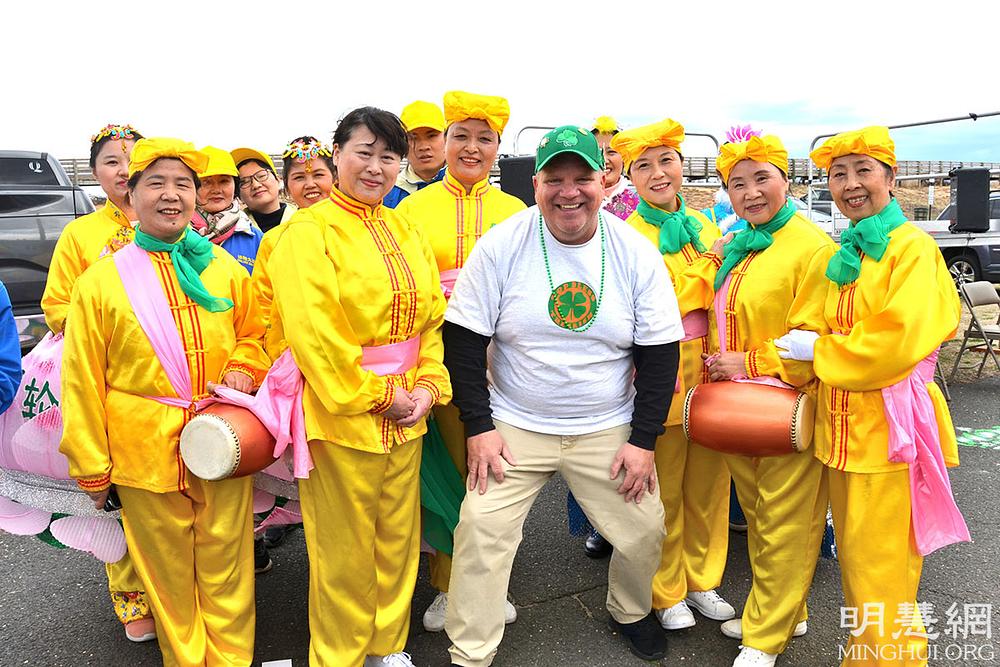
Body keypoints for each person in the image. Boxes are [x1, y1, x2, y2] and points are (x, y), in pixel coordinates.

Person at [443, 125, 683, 665]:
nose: (568, 191)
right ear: (536, 183)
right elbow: (463, 339)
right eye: (556, 178)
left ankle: (630, 608)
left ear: (603, 182)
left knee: (646, 529)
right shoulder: (502, 245)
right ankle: (470, 649)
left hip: (604, 422)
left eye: (582, 178)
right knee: (480, 529)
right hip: (515, 422)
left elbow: (660, 351)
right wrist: (478, 427)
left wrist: (643, 439)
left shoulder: (635, 252)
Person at [59, 137, 270, 666]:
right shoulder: (100, 282)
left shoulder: (223, 270)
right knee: (170, 580)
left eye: (183, 185)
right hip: (142, 449)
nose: (171, 195)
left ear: (197, 198)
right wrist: (92, 465)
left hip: (219, 440)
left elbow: (257, 333)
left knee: (229, 567)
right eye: (156, 183)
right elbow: (81, 378)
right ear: (130, 195)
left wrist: (245, 369)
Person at [267, 107, 452, 667]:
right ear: (337, 154)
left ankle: (386, 645)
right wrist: (380, 395)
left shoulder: (404, 227)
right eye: (363, 152)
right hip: (342, 412)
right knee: (343, 550)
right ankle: (339, 655)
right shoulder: (307, 231)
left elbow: (430, 321)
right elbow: (315, 332)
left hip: (409, 411)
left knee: (398, 538)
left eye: (388, 156)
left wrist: (427, 385)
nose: (376, 167)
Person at [781, 127, 969, 666]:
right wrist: (803, 351)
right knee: (860, 570)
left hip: (890, 434)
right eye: (838, 174)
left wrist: (818, 351)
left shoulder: (913, 249)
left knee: (882, 574)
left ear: (891, 177)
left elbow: (898, 340)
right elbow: (804, 326)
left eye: (863, 170)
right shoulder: (842, 254)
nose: (850, 184)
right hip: (840, 436)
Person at [692, 134, 836, 667]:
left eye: (762, 179)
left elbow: (813, 335)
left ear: (787, 180)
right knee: (758, 515)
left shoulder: (811, 247)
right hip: (738, 409)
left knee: (786, 523)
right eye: (738, 183)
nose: (751, 193)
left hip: (784, 405)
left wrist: (748, 364)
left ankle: (764, 638)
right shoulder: (742, 241)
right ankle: (786, 614)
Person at [396, 90, 526, 633]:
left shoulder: (516, 211)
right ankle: (448, 585)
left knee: (502, 475)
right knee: (452, 470)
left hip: (510, 359)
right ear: (444, 142)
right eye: (461, 137)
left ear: (498, 148)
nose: (472, 149)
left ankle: (494, 582)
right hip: (441, 358)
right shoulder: (410, 209)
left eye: (484, 139)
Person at [610, 118, 734, 631]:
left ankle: (704, 578)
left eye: (667, 161)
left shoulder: (707, 224)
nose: (658, 173)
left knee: (710, 482)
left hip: (712, 368)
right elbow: (656, 304)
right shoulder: (622, 234)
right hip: (662, 372)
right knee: (662, 485)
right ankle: (666, 588)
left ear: (683, 166)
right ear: (628, 177)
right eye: (644, 166)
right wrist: (707, 266)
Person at [38, 123, 156, 643]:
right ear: (95, 173)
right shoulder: (80, 235)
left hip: (171, 383)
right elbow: (55, 306)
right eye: (112, 160)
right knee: (120, 495)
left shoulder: (179, 224)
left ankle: (180, 588)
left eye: (134, 158)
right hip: (109, 383)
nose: (124, 168)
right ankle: (133, 599)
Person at [194, 146, 263, 274]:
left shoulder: (255, 238)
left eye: (224, 181)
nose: (216, 190)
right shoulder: (179, 232)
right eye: (207, 182)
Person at [383, 100, 447, 208]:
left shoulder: (468, 184)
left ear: (446, 138)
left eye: (431, 136)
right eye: (413, 138)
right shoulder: (387, 194)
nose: (423, 146)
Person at [232, 146, 297, 233]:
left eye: (261, 176)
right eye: (245, 182)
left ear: (278, 180)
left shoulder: (304, 220)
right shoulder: (234, 230)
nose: (256, 185)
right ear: (239, 196)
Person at [593, 115, 639, 220]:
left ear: (624, 157)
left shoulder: (641, 204)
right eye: (597, 152)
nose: (604, 159)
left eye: (611, 152)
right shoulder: (577, 201)